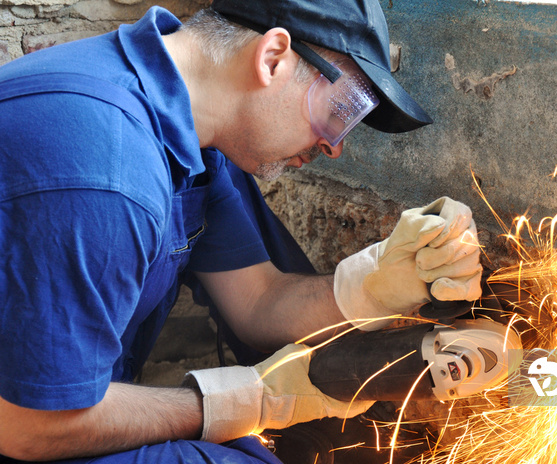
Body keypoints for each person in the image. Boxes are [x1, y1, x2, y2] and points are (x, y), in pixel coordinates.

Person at [0, 0, 483, 462]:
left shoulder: (191, 128)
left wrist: (375, 286)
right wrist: (250, 401)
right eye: (339, 112)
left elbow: (256, 301)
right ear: (272, 58)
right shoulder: (105, 170)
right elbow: (30, 425)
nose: (333, 146)